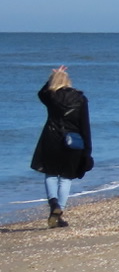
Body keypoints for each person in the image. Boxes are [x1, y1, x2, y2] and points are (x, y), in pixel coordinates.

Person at [30, 65, 94, 228]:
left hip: (51, 139)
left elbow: (40, 93)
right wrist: (87, 150)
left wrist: (53, 78)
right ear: (69, 81)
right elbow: (84, 125)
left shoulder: (51, 96)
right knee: (66, 178)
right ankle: (59, 214)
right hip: (73, 140)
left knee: (50, 174)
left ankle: (54, 205)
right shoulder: (80, 98)